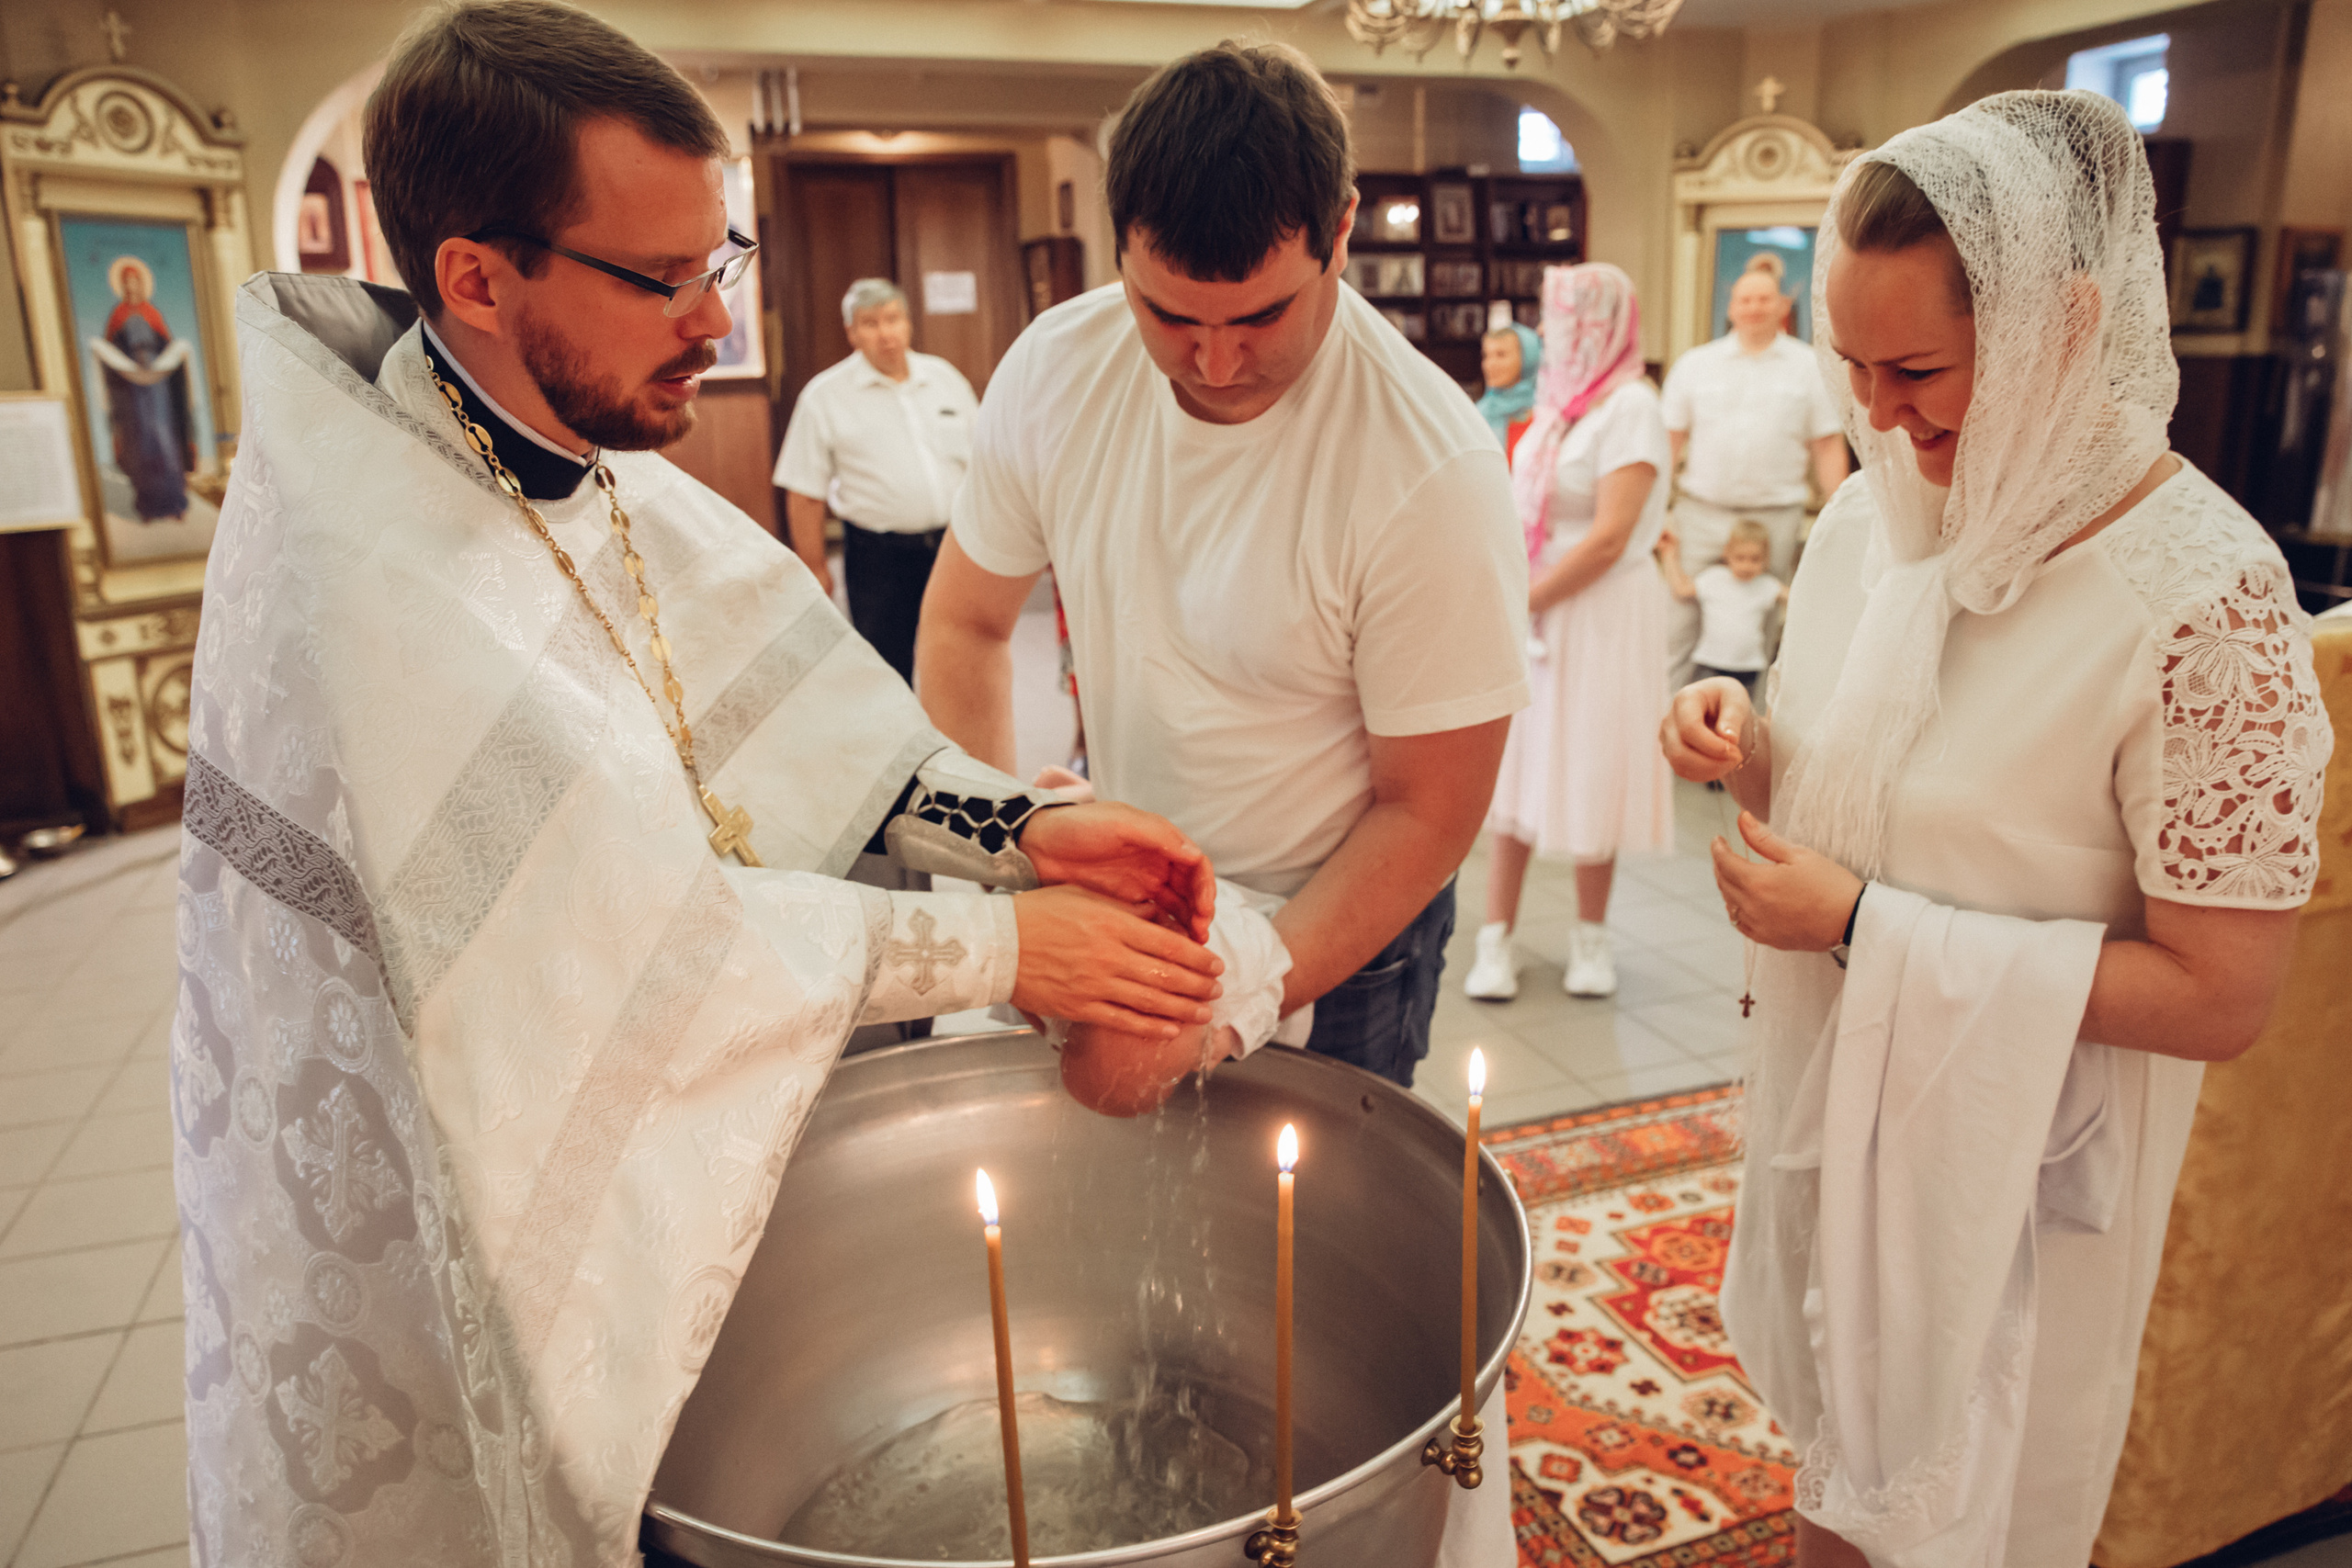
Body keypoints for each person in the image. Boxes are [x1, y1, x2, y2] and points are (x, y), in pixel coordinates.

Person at [175, 6, 1228, 1562]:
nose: (719, 322)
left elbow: (799, 734)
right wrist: (1011, 949)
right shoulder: (366, 583)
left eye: (715, 260)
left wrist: (1023, 827)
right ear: (475, 274)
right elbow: (611, 942)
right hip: (482, 1222)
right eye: (663, 279)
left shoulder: (596, 470)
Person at [1661, 91, 2330, 1568]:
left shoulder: (2204, 601)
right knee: (1836, 1476)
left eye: (1920, 368)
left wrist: (1859, 926)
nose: (1880, 416)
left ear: (2066, 321)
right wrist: (1751, 746)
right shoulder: (1874, 517)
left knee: (1970, 1510)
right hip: (1850, 1098)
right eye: (1853, 365)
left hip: (2022, 1172)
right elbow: (1866, 790)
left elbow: (2227, 992)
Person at [919, 42, 1531, 1097]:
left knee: (1313, 1251)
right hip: (1123, 895)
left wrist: (1241, 990)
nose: (1213, 363)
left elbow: (1428, 810)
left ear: (1340, 230)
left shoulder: (1429, 467)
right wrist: (1006, 850)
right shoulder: (1058, 368)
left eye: (1259, 316)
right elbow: (967, 624)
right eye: (1167, 316)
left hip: (1337, 928)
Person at [1464, 263, 1678, 1003]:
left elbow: (1612, 536)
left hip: (1600, 609)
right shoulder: (1555, 408)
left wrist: (1526, 596)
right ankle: (1495, 939)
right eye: (1552, 322)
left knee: (1592, 762)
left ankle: (1591, 936)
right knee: (1516, 766)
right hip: (1536, 601)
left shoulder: (1632, 406)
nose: (1557, 336)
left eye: (1570, 321)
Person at [774, 277, 978, 682]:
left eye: (893, 319)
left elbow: (986, 461)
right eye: (870, 323)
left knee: (960, 657)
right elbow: (804, 490)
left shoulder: (945, 379)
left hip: (955, 548)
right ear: (852, 332)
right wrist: (815, 565)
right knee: (887, 667)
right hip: (880, 558)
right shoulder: (825, 396)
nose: (885, 333)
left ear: (908, 323)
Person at [1659, 251, 1848, 687]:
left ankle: (1748, 742)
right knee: (1681, 631)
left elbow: (1826, 446)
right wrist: (1656, 515)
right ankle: (1671, 741)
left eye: (1764, 299)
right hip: (1700, 516)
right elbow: (1668, 443)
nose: (1754, 307)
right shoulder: (1695, 365)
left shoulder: (1809, 367)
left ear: (1782, 306)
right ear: (1731, 307)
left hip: (1772, 520)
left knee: (1760, 637)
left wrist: (1839, 516)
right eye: (1745, 299)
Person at [89, 255, 195, 521]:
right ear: (122, 286)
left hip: (159, 391)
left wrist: (159, 365)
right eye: (127, 282)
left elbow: (170, 350)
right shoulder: (117, 316)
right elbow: (110, 357)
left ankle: (174, 503)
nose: (132, 286)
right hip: (132, 395)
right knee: (142, 445)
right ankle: (148, 505)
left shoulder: (152, 313)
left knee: (164, 443)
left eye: (135, 281)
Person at [1652, 514, 1785, 698]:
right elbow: (1681, 589)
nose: (1747, 565)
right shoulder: (1714, 578)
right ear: (1727, 553)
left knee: (1739, 714)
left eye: (1755, 559)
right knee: (1702, 708)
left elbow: (1797, 599)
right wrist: (1669, 552)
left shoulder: (1767, 585)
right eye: (1740, 558)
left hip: (1748, 667)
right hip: (1710, 662)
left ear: (1765, 559)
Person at [1475, 320, 1542, 460]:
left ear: (1527, 358)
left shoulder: (1546, 412)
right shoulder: (1477, 415)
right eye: (1486, 356)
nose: (1490, 364)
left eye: (1501, 354)